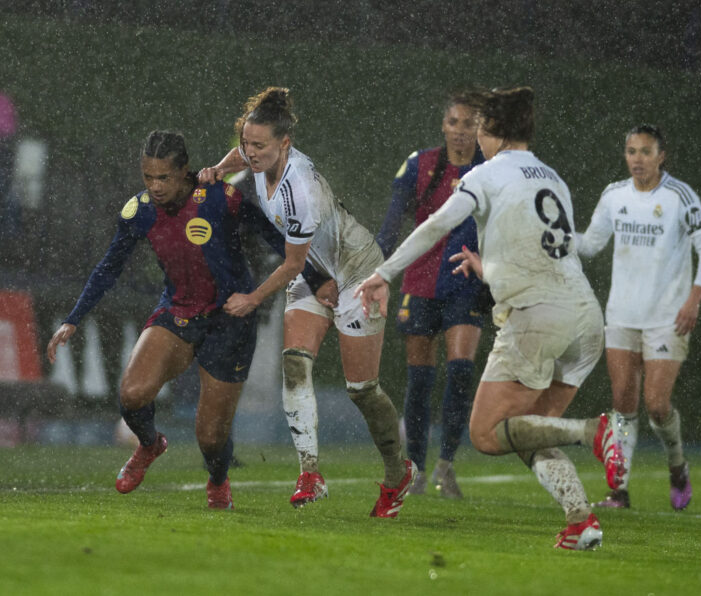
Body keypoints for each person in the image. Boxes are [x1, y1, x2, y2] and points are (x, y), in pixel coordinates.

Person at [357, 87, 629, 549]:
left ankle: (594, 430)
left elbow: (438, 223)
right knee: (527, 431)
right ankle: (581, 519)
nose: (475, 137)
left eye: (479, 127)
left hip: (537, 318)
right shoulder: (551, 176)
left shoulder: (487, 174)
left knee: (485, 433)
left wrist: (384, 273)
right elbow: (557, 249)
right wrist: (490, 268)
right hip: (584, 318)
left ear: (494, 132)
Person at [46, 130, 327, 509]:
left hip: (231, 319)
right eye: (148, 177)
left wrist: (318, 278)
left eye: (164, 177)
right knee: (131, 395)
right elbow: (108, 268)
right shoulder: (139, 211)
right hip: (178, 310)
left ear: (184, 172)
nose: (155, 186)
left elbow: (276, 239)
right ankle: (149, 445)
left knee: (210, 437)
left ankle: (217, 479)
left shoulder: (220, 198)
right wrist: (73, 318)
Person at [200, 87, 415, 519]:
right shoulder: (256, 155)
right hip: (314, 270)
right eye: (246, 141)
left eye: (260, 145)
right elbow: (241, 157)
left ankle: (398, 472)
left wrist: (253, 298)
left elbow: (290, 261)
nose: (250, 151)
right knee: (295, 363)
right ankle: (310, 474)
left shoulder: (299, 188)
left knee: (362, 390)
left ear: (285, 144)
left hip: (356, 271)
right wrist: (221, 168)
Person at [577, 124, 701, 511]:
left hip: (666, 318)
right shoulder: (614, 195)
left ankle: (676, 464)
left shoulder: (678, 196)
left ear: (661, 156)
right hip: (621, 314)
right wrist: (552, 238)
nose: (637, 159)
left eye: (645, 152)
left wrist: (694, 300)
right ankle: (618, 492)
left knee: (657, 404)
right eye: (631, 151)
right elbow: (590, 245)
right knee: (623, 403)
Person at [376, 89, 487, 498]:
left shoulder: (490, 169)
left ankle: (447, 465)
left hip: (465, 280)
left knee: (460, 371)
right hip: (420, 282)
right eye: (454, 122)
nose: (460, 132)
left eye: (469, 123)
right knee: (419, 381)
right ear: (444, 125)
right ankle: (418, 470)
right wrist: (375, 267)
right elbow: (390, 225)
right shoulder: (420, 165)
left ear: (481, 128)